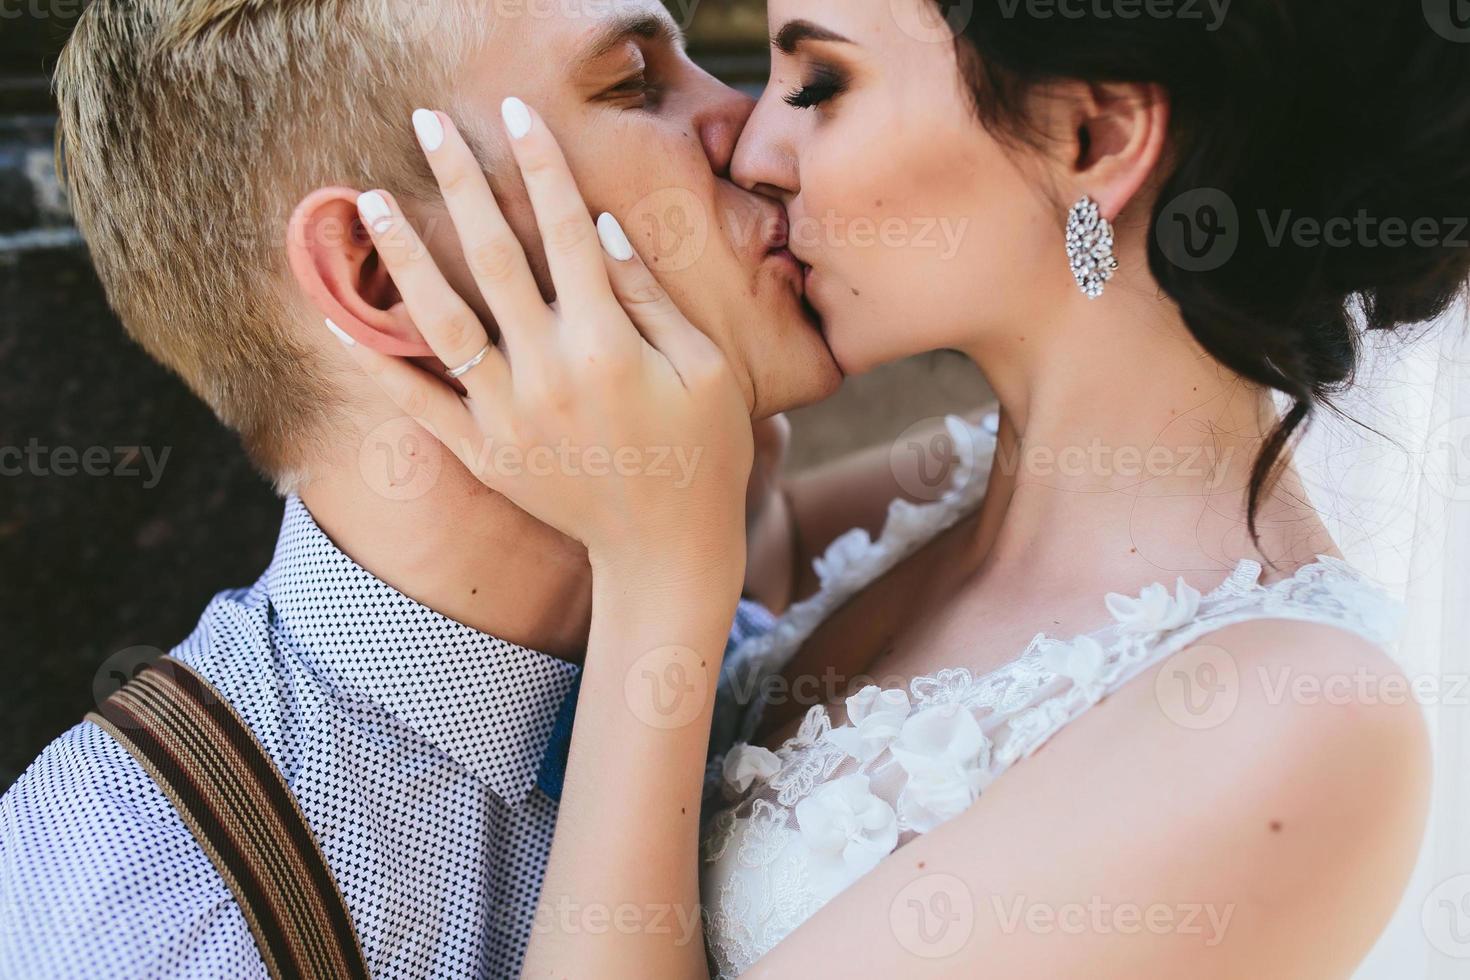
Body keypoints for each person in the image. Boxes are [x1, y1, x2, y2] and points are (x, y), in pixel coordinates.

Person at [358, 0, 1468, 976]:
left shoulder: (1291, 724)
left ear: (1095, 137)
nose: (754, 146)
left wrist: (662, 576)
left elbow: (681, 553)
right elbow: (731, 514)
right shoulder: (950, 482)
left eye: (823, 83)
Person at [0, 2, 939, 977]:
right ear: (382, 277)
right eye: (631, 82)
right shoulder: (127, 910)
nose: (754, 128)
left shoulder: (785, 588)